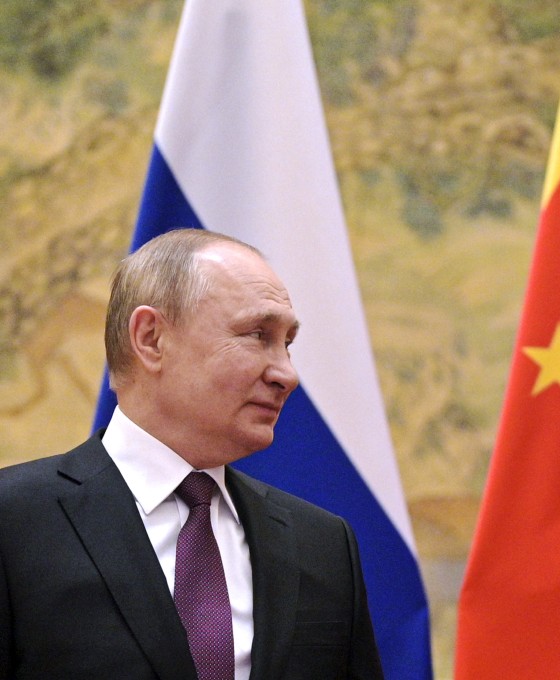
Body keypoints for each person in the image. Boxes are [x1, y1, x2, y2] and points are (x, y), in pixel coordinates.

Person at [0, 229, 384, 679]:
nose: (287, 373)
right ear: (151, 339)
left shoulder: (323, 544)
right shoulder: (14, 522)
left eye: (288, 343)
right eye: (258, 334)